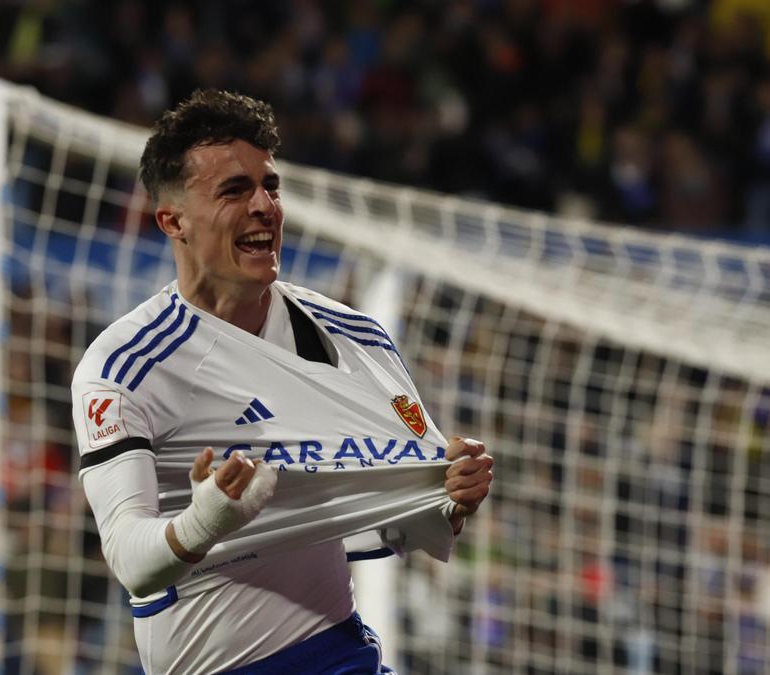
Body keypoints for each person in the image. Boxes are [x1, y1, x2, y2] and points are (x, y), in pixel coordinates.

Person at [71, 90, 493, 675]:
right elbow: (130, 559)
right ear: (173, 221)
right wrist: (207, 520)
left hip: (340, 654)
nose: (264, 205)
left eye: (270, 186)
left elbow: (406, 514)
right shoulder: (126, 366)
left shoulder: (355, 340)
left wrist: (453, 492)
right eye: (234, 190)